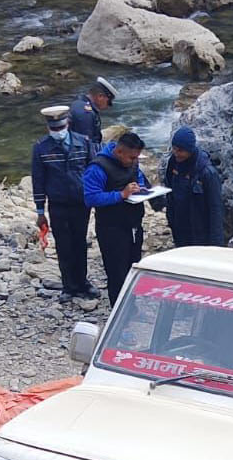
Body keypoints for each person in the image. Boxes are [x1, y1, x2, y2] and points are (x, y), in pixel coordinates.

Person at [31, 105, 100, 302]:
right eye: (53, 129)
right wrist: (40, 211)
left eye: (60, 128)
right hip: (58, 204)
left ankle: (82, 282)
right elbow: (38, 181)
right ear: (48, 128)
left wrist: (96, 197)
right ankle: (69, 286)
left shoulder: (83, 143)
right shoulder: (41, 148)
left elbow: (93, 170)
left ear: (67, 124)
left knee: (80, 242)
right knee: (63, 245)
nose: (57, 132)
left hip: (81, 203)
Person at [83, 131, 161, 304]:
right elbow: (90, 198)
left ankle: (131, 305)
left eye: (136, 158)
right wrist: (120, 195)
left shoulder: (131, 162)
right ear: (119, 152)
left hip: (133, 225)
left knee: (134, 267)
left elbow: (138, 177)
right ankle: (117, 311)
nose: (134, 161)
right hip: (111, 229)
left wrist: (141, 188)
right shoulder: (97, 168)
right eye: (132, 158)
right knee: (117, 273)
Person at [160, 127, 226, 248]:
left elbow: (215, 208)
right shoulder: (173, 163)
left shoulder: (207, 172)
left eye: (180, 150)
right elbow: (169, 190)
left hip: (200, 231)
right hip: (179, 225)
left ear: (190, 150)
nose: (176, 153)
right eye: (174, 149)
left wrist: (217, 245)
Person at [69, 77, 117, 146]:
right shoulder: (86, 114)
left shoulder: (79, 102)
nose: (108, 107)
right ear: (100, 96)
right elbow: (86, 145)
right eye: (108, 102)